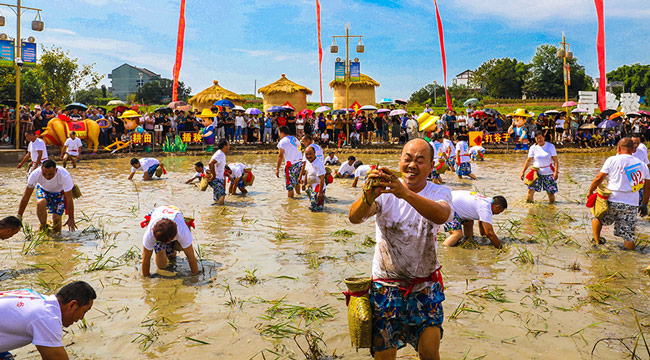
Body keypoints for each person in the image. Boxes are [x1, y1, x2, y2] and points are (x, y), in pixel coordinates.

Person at [348, 138, 453, 360]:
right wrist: (369, 194)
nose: (412, 164)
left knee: (430, 353)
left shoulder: (439, 192)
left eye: (420, 160)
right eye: (408, 158)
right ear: (400, 160)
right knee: (384, 356)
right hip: (386, 286)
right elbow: (354, 218)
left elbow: (442, 215)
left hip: (425, 285)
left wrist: (403, 192)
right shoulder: (384, 194)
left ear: (432, 166)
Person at [0, 281, 96, 360]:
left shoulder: (38, 300)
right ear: (72, 305)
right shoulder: (47, 317)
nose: (82, 317)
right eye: (84, 311)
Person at [589, 138, 650, 249]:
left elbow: (599, 178)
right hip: (631, 203)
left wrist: (590, 191)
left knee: (597, 217)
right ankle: (629, 259)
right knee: (628, 235)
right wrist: (644, 204)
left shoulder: (612, 160)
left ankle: (597, 243)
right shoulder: (642, 165)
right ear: (633, 149)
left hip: (612, 200)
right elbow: (647, 188)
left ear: (618, 148)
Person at [17, 160, 76, 234]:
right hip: (43, 190)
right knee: (40, 203)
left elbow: (69, 199)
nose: (47, 176)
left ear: (56, 170)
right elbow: (26, 196)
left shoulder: (64, 175)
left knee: (57, 221)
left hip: (59, 193)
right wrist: (19, 216)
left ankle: (57, 240)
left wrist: (71, 218)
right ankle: (44, 227)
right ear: (41, 170)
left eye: (50, 174)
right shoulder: (35, 174)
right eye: (44, 174)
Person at [141, 205, 199, 276]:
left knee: (172, 255)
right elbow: (146, 258)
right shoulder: (150, 235)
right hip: (157, 213)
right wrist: (146, 279)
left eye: (169, 240)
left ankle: (171, 251)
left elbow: (191, 257)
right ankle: (164, 247)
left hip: (175, 213)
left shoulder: (182, 231)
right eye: (166, 242)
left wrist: (195, 276)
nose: (167, 242)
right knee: (161, 266)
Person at [520, 133, 559, 203]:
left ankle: (551, 208)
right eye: (537, 138)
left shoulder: (550, 146)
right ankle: (529, 206)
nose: (539, 140)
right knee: (530, 190)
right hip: (536, 173)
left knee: (550, 192)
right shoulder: (533, 147)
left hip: (548, 172)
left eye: (540, 138)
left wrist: (556, 172)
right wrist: (523, 172)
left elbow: (555, 160)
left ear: (544, 137)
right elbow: (529, 160)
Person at [275, 126, 302, 198]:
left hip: (290, 165)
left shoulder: (283, 141)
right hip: (299, 164)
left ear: (282, 133)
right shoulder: (295, 139)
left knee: (290, 187)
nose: (279, 135)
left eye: (279, 133)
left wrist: (277, 169)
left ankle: (291, 204)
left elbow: (280, 156)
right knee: (297, 182)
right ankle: (299, 196)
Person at [302, 146, 327, 212]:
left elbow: (322, 178)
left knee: (314, 206)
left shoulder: (318, 164)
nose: (308, 156)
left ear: (314, 153)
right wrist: (304, 183)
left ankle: (319, 220)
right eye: (306, 154)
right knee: (314, 206)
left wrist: (320, 192)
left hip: (318, 187)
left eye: (310, 154)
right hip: (311, 187)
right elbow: (307, 172)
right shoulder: (308, 162)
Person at [208, 139, 230, 205]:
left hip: (219, 178)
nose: (229, 146)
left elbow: (221, 165)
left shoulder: (222, 154)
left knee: (217, 198)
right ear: (224, 146)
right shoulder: (219, 154)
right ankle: (221, 213)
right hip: (216, 179)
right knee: (222, 195)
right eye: (228, 145)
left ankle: (216, 212)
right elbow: (210, 164)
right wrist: (213, 175)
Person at [631, 133, 650, 206]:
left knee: (638, 200)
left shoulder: (641, 152)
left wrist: (647, 179)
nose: (635, 145)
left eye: (637, 143)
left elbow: (648, 165)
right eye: (633, 143)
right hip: (627, 178)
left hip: (639, 178)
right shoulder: (624, 152)